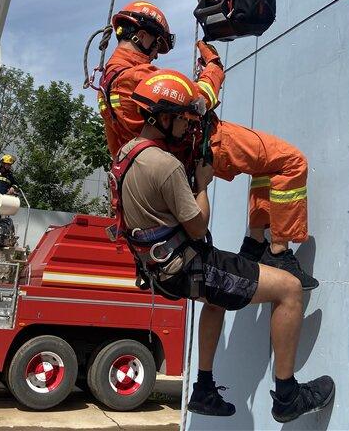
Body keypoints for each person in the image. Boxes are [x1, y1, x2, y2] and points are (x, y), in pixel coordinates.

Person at [110, 70, 334, 422]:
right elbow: (198, 226)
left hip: (163, 270)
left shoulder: (127, 155)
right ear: (164, 118)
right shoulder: (166, 165)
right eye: (182, 120)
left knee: (215, 301)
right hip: (191, 265)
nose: (187, 127)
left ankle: (203, 389)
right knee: (289, 289)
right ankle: (288, 396)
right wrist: (202, 184)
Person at [98, 0, 317, 290]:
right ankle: (278, 252)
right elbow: (197, 103)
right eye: (157, 44)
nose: (155, 53)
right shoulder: (136, 76)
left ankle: (254, 244)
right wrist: (213, 67)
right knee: (290, 161)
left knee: (264, 168)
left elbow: (118, 146)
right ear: (143, 35)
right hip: (204, 140)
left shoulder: (107, 82)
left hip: (179, 151)